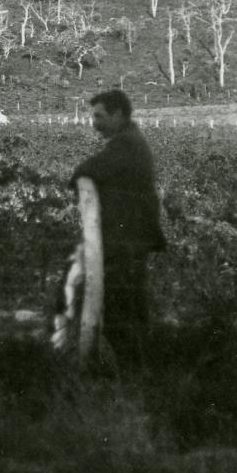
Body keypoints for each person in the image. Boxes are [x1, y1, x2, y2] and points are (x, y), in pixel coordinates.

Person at [69, 88, 166, 361]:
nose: (94, 122)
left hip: (126, 241)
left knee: (120, 310)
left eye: (100, 116)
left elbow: (84, 172)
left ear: (118, 115)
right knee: (130, 308)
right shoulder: (130, 141)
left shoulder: (125, 145)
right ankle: (137, 372)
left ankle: (129, 374)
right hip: (131, 239)